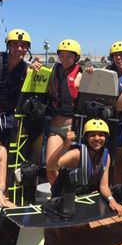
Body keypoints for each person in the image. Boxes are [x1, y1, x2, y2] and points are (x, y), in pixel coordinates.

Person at [49, 119, 122, 216]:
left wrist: (112, 200)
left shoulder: (106, 156)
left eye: (101, 135)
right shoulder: (76, 154)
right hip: (63, 199)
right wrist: (64, 145)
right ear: (86, 137)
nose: (97, 138)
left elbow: (103, 186)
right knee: (69, 212)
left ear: (106, 138)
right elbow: (51, 166)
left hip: (82, 197)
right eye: (92, 135)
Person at [87, 41, 122, 184]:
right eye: (116, 55)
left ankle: (117, 187)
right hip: (103, 121)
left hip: (120, 123)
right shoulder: (107, 71)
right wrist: (90, 73)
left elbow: (121, 106)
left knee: (119, 160)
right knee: (98, 154)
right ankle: (97, 185)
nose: (119, 58)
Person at [45, 39, 83, 184]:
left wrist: (91, 72)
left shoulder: (80, 76)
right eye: (62, 56)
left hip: (71, 129)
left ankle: (68, 193)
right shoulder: (52, 72)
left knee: (69, 169)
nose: (65, 59)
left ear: (76, 58)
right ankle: (57, 193)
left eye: (69, 56)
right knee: (50, 166)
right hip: (55, 128)